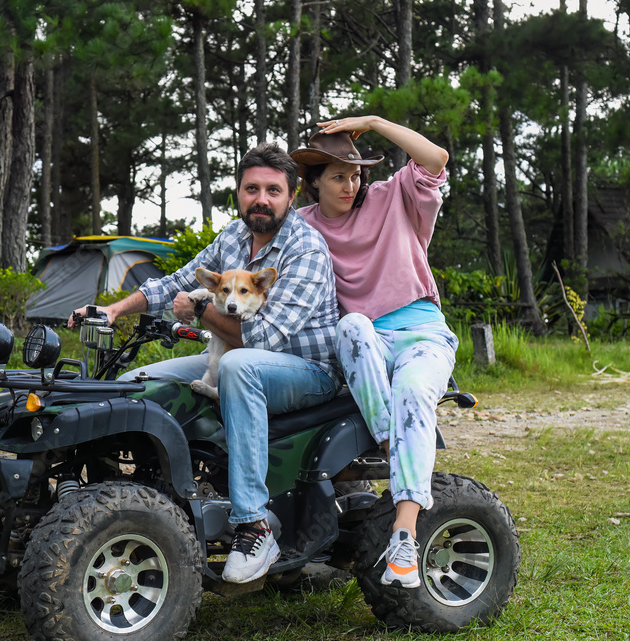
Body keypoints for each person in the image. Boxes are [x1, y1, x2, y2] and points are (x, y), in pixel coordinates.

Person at [70, 142, 341, 584]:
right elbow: (177, 282)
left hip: (305, 371)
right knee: (140, 382)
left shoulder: (306, 249)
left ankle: (253, 524)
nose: (261, 199)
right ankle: (132, 497)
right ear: (238, 192)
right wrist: (116, 310)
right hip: (237, 357)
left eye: (273, 190)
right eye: (251, 188)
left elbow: (265, 340)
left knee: (239, 367)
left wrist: (201, 311)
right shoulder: (234, 236)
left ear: (292, 196)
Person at [290, 116, 458, 589]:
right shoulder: (302, 230)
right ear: (313, 182)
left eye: (356, 174)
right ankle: (392, 444)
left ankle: (404, 538)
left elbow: (435, 159)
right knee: (353, 325)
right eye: (338, 175)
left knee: (411, 392)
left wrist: (374, 121)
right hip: (363, 345)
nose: (351, 184)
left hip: (421, 332)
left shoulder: (394, 199)